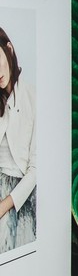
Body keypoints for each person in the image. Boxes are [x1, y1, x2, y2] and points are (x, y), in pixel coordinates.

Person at [0, 27, 36, 252]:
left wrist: (3, 206)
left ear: (9, 50)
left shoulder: (33, 96)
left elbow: (36, 168)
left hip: (20, 195)